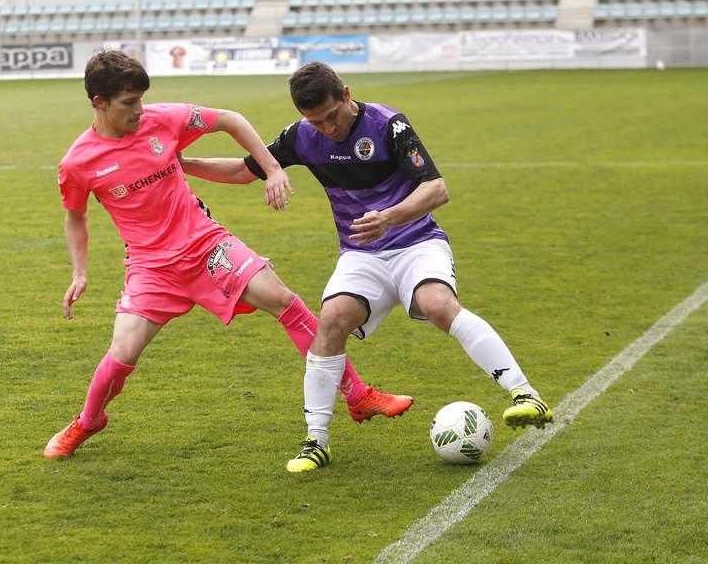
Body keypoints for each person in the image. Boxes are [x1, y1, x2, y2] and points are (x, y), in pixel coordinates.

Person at [179, 61, 554, 473]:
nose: (328, 129)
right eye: (315, 122)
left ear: (345, 93)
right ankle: (315, 442)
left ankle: (524, 394)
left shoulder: (388, 125)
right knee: (331, 321)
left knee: (437, 305)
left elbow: (436, 189)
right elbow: (241, 169)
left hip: (416, 243)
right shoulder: (301, 136)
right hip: (361, 255)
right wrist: (180, 164)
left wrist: (389, 217)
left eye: (332, 117)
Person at [43, 51, 412, 459]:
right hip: (151, 268)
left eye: (142, 100)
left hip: (207, 247)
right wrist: (79, 273)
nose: (140, 110)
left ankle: (357, 395)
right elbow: (75, 216)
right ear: (99, 101)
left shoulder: (164, 119)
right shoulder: (78, 162)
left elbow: (230, 120)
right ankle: (89, 421)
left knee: (285, 302)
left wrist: (272, 169)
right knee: (122, 354)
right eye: (129, 104)